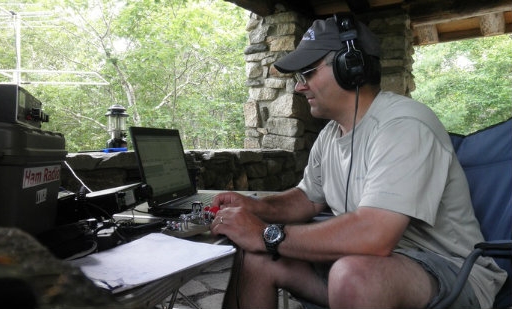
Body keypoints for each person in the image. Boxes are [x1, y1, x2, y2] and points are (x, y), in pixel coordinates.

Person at [210, 15, 507, 309]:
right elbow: (307, 199)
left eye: (308, 73)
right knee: (257, 259)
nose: (299, 87)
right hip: (371, 264)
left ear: (350, 66)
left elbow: (373, 236)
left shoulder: (405, 125)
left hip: (451, 272)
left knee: (352, 275)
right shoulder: (329, 135)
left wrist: (265, 235)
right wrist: (255, 208)